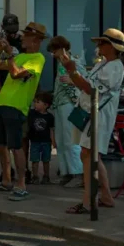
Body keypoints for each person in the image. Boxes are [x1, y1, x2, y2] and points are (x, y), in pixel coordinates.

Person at [56, 28, 124, 215]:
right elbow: (86, 86)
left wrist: (72, 71)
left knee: (88, 155)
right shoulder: (102, 64)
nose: (98, 45)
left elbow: (90, 89)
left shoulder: (115, 67)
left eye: (102, 42)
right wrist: (73, 72)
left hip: (98, 115)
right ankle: (105, 196)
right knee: (90, 155)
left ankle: (88, 202)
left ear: (112, 46)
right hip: (89, 112)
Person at [0, 22, 47, 201]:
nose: (22, 38)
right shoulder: (20, 56)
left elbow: (15, 73)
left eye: (26, 36)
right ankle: (6, 180)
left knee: (16, 145)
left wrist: (10, 53)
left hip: (16, 106)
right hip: (2, 102)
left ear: (36, 40)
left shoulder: (38, 58)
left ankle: (21, 184)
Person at [47, 36, 86, 187]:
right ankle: (67, 171)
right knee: (61, 140)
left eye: (54, 51)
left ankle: (78, 173)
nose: (53, 54)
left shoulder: (73, 61)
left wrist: (73, 81)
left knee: (70, 139)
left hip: (70, 103)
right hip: (60, 104)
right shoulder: (61, 63)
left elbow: (85, 79)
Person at [28, 92, 55, 185]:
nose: (35, 104)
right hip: (35, 141)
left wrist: (53, 141)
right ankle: (35, 176)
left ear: (46, 105)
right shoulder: (32, 113)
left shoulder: (50, 117)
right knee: (34, 160)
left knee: (46, 160)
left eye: (38, 102)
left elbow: (51, 129)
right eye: (35, 102)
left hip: (46, 142)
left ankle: (46, 176)